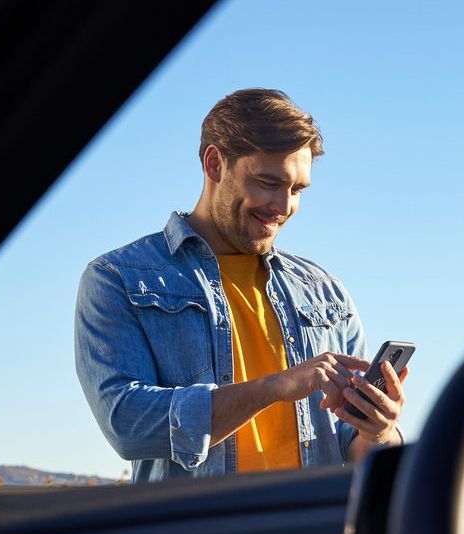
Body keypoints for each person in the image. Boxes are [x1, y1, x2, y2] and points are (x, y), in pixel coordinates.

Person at [75, 88, 405, 482]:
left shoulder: (327, 294)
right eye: (268, 182)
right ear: (215, 164)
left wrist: (380, 429)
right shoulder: (118, 278)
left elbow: (355, 450)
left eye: (297, 190)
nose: (283, 207)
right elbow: (127, 424)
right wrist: (275, 387)